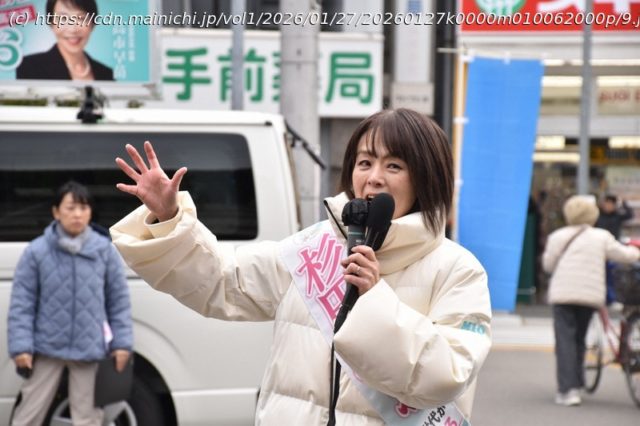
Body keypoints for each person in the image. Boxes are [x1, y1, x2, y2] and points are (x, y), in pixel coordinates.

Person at [110, 108, 492, 424]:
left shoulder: (457, 270)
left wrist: (373, 298)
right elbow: (224, 282)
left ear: (426, 178)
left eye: (394, 165)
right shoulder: (314, 247)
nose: (374, 177)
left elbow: (446, 373)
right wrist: (170, 218)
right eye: (364, 162)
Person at [8, 181, 132, 425]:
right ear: (56, 212)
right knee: (28, 415)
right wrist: (21, 347)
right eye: (71, 207)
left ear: (90, 213)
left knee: (88, 418)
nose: (77, 214)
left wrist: (122, 344)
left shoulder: (104, 251)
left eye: (83, 208)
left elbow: (118, 301)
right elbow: (22, 303)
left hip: (88, 346)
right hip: (47, 346)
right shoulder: (37, 251)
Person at [542, 195, 639, 407]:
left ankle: (567, 390)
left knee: (565, 341)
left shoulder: (558, 236)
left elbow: (548, 265)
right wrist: (635, 250)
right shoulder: (601, 236)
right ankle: (577, 382)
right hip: (590, 296)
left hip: (563, 295)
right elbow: (624, 255)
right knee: (579, 339)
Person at [16, 0, 114, 81]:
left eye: (81, 18)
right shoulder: (29, 67)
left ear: (92, 24)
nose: (73, 29)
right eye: (63, 19)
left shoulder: (106, 73)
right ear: (51, 23)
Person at [595, 194, 635, 304]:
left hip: (613, 249)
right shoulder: (598, 216)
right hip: (599, 250)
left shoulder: (617, 216)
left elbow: (630, 215)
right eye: (606, 203)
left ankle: (611, 298)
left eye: (610, 204)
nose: (608, 206)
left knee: (612, 275)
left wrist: (624, 203)